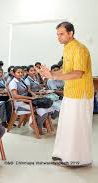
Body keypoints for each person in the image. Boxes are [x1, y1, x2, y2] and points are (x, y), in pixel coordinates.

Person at [39, 22, 94, 166]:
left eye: (62, 33)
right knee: (66, 125)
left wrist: (54, 77)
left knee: (77, 127)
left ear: (71, 33)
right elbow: (66, 70)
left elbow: (78, 73)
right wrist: (50, 73)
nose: (59, 37)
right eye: (57, 34)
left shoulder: (80, 49)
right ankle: (63, 155)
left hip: (80, 94)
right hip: (69, 93)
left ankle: (79, 159)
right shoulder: (67, 48)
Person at [9, 66, 52, 135]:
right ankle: (37, 125)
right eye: (18, 72)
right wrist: (30, 98)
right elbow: (15, 96)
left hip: (27, 100)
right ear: (14, 74)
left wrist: (34, 95)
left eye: (21, 72)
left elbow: (28, 90)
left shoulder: (21, 80)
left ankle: (38, 124)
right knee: (42, 108)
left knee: (45, 106)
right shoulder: (13, 82)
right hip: (20, 102)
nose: (20, 74)